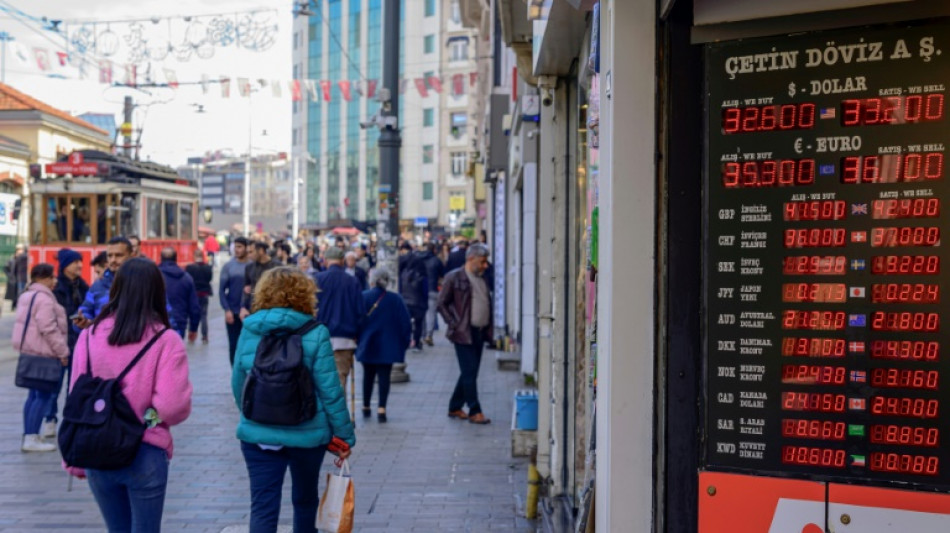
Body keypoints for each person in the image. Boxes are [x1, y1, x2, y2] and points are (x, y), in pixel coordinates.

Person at [68, 258, 192, 533]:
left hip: (96, 451)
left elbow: (76, 400)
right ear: (157, 291)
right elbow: (173, 406)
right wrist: (149, 416)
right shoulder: (165, 339)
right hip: (144, 450)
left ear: (116, 289)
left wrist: (73, 459)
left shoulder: (88, 337)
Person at [232, 267, 355, 533]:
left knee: (263, 506)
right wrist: (345, 436)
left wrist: (254, 414)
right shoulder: (315, 331)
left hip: (259, 436)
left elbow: (238, 383)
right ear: (304, 294)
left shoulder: (250, 329)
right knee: (304, 500)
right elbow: (330, 390)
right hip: (307, 434)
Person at [13, 263, 69, 452]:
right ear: (43, 278)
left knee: (33, 396)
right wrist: (63, 351)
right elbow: (48, 328)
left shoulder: (26, 296)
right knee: (43, 396)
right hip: (44, 353)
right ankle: (31, 438)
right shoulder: (44, 299)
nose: (54, 281)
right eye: (52, 277)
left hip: (30, 352)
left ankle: (29, 434)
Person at [437, 243, 493, 424]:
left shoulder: (482, 278)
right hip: (463, 333)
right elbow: (441, 303)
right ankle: (474, 410)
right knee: (469, 371)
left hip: (480, 331)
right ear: (471, 259)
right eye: (482, 261)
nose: (486, 265)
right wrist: (453, 323)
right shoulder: (454, 277)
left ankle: (454, 406)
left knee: (470, 371)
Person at [356, 268, 411, 423]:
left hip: (368, 342)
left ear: (372, 280)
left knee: (367, 375)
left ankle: (366, 405)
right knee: (384, 376)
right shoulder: (396, 299)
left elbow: (357, 320)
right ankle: (382, 408)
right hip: (389, 344)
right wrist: (404, 342)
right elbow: (405, 323)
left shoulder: (363, 297)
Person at [45, 249, 89, 439]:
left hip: (78, 345)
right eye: (75, 262)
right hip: (59, 346)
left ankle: (70, 419)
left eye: (80, 262)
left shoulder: (83, 286)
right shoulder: (56, 288)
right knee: (54, 387)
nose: (79, 265)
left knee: (74, 385)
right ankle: (50, 420)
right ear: (64, 266)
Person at [314, 246, 365, 392]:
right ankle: (337, 414)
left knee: (321, 382)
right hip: (345, 339)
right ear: (342, 261)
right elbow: (360, 312)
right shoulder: (352, 281)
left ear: (325, 261)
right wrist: (358, 336)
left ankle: (324, 414)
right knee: (339, 383)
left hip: (320, 337)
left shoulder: (317, 279)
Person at [74, 237, 133, 328]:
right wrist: (83, 322)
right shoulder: (98, 286)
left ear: (131, 256)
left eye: (118, 255)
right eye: (110, 256)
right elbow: (85, 311)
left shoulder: (145, 283)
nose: (113, 260)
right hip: (103, 340)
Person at [220, 237, 249, 364]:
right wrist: (227, 310)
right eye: (235, 247)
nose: (236, 250)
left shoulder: (252, 266)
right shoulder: (228, 267)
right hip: (233, 312)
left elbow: (256, 290)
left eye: (240, 247)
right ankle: (235, 373)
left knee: (248, 346)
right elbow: (222, 290)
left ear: (246, 248)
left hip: (249, 313)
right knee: (233, 346)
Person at [398, 243, 428, 352]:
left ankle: (406, 342)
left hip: (405, 302)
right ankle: (416, 342)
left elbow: (400, 289)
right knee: (418, 323)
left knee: (406, 323)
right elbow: (425, 291)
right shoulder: (422, 277)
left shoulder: (402, 276)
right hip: (418, 303)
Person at [241, 241, 278, 320]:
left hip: (272, 311)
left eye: (251, 252)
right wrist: (243, 307)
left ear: (261, 251)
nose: (249, 255)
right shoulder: (249, 267)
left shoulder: (278, 267)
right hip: (254, 310)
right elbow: (246, 289)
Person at [186, 249, 213, 344]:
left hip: (193, 294)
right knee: (204, 316)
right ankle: (204, 336)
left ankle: (192, 333)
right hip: (204, 294)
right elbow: (210, 279)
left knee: (192, 315)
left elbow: (187, 281)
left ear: (194, 256)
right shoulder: (208, 267)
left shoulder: (189, 268)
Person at [419, 243, 444, 346]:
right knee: (431, 313)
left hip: (420, 289)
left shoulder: (419, 259)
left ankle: (422, 335)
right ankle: (429, 335)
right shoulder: (436, 260)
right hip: (433, 289)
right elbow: (442, 274)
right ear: (434, 250)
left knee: (422, 313)